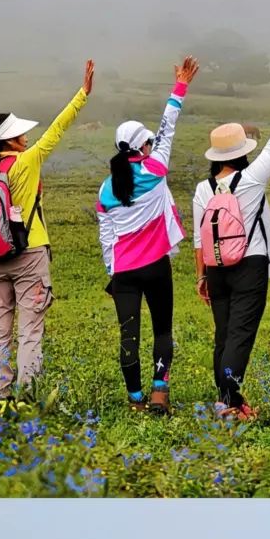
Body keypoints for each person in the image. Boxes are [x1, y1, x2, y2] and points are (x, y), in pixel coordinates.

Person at [0, 60, 94, 400]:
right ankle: (26, 397)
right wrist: (82, 94)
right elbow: (58, 128)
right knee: (30, 331)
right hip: (29, 254)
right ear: (11, 139)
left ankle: (1, 394)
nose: (26, 136)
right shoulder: (28, 160)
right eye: (20, 132)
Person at [192, 74, 270, 418]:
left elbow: (198, 238)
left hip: (216, 268)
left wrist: (201, 277)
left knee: (224, 333)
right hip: (250, 265)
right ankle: (228, 401)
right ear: (242, 152)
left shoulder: (203, 190)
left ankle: (227, 399)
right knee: (241, 334)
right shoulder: (251, 178)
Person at [97, 57, 200, 415]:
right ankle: (160, 392)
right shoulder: (155, 169)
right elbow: (168, 126)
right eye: (149, 142)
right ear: (143, 147)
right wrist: (180, 86)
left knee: (129, 336)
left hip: (124, 272)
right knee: (161, 330)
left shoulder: (106, 189)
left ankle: (135, 399)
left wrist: (113, 270)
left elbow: (105, 236)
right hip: (156, 265)